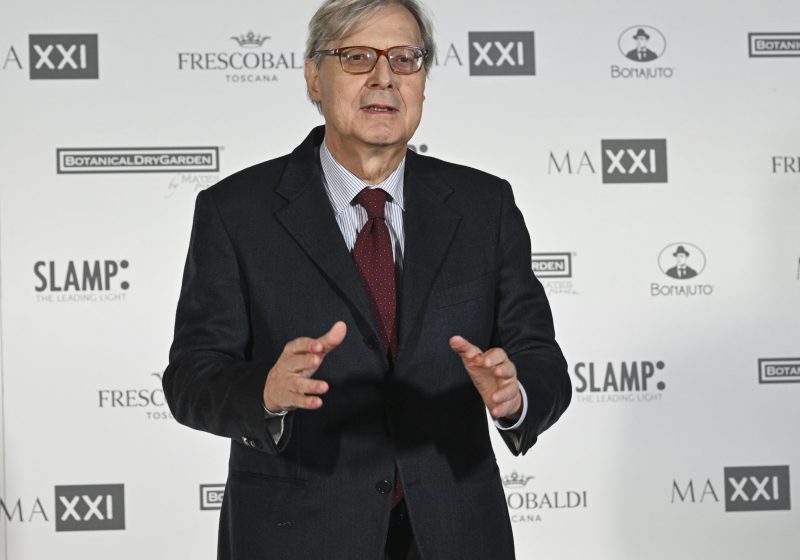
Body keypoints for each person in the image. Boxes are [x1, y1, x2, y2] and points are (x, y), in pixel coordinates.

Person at [163, 1, 571, 558]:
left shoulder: (485, 206)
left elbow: (541, 359)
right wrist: (266, 392)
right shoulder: (236, 212)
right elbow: (191, 378)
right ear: (314, 78)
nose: (385, 77)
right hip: (296, 537)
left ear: (423, 80)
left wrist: (514, 394)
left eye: (405, 59)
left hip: (456, 534)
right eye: (357, 57)